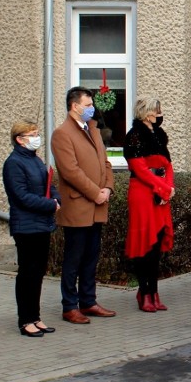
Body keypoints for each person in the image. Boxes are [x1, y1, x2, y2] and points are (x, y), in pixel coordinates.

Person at [51, 86, 116, 324]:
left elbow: (105, 163)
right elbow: (70, 172)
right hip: (79, 206)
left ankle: (88, 301)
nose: (92, 109)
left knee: (91, 256)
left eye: (92, 105)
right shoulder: (62, 133)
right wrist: (94, 193)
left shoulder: (94, 130)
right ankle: (70, 306)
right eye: (87, 105)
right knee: (74, 259)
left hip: (98, 205)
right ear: (74, 106)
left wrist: (107, 188)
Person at [2, 121, 62, 337]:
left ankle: (35, 317)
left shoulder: (35, 159)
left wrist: (57, 199)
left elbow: (49, 184)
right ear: (20, 139)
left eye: (37, 133)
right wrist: (50, 205)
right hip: (26, 227)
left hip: (42, 224)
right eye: (33, 134)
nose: (37, 137)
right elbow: (21, 196)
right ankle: (25, 320)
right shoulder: (14, 163)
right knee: (27, 273)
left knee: (37, 273)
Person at [123, 98, 175, 312]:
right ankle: (144, 292)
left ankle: (154, 291)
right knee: (145, 242)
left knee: (157, 243)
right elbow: (140, 169)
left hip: (160, 191)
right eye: (156, 110)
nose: (159, 113)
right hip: (143, 193)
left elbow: (168, 165)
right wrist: (162, 188)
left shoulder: (159, 135)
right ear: (145, 112)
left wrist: (168, 189)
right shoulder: (134, 136)